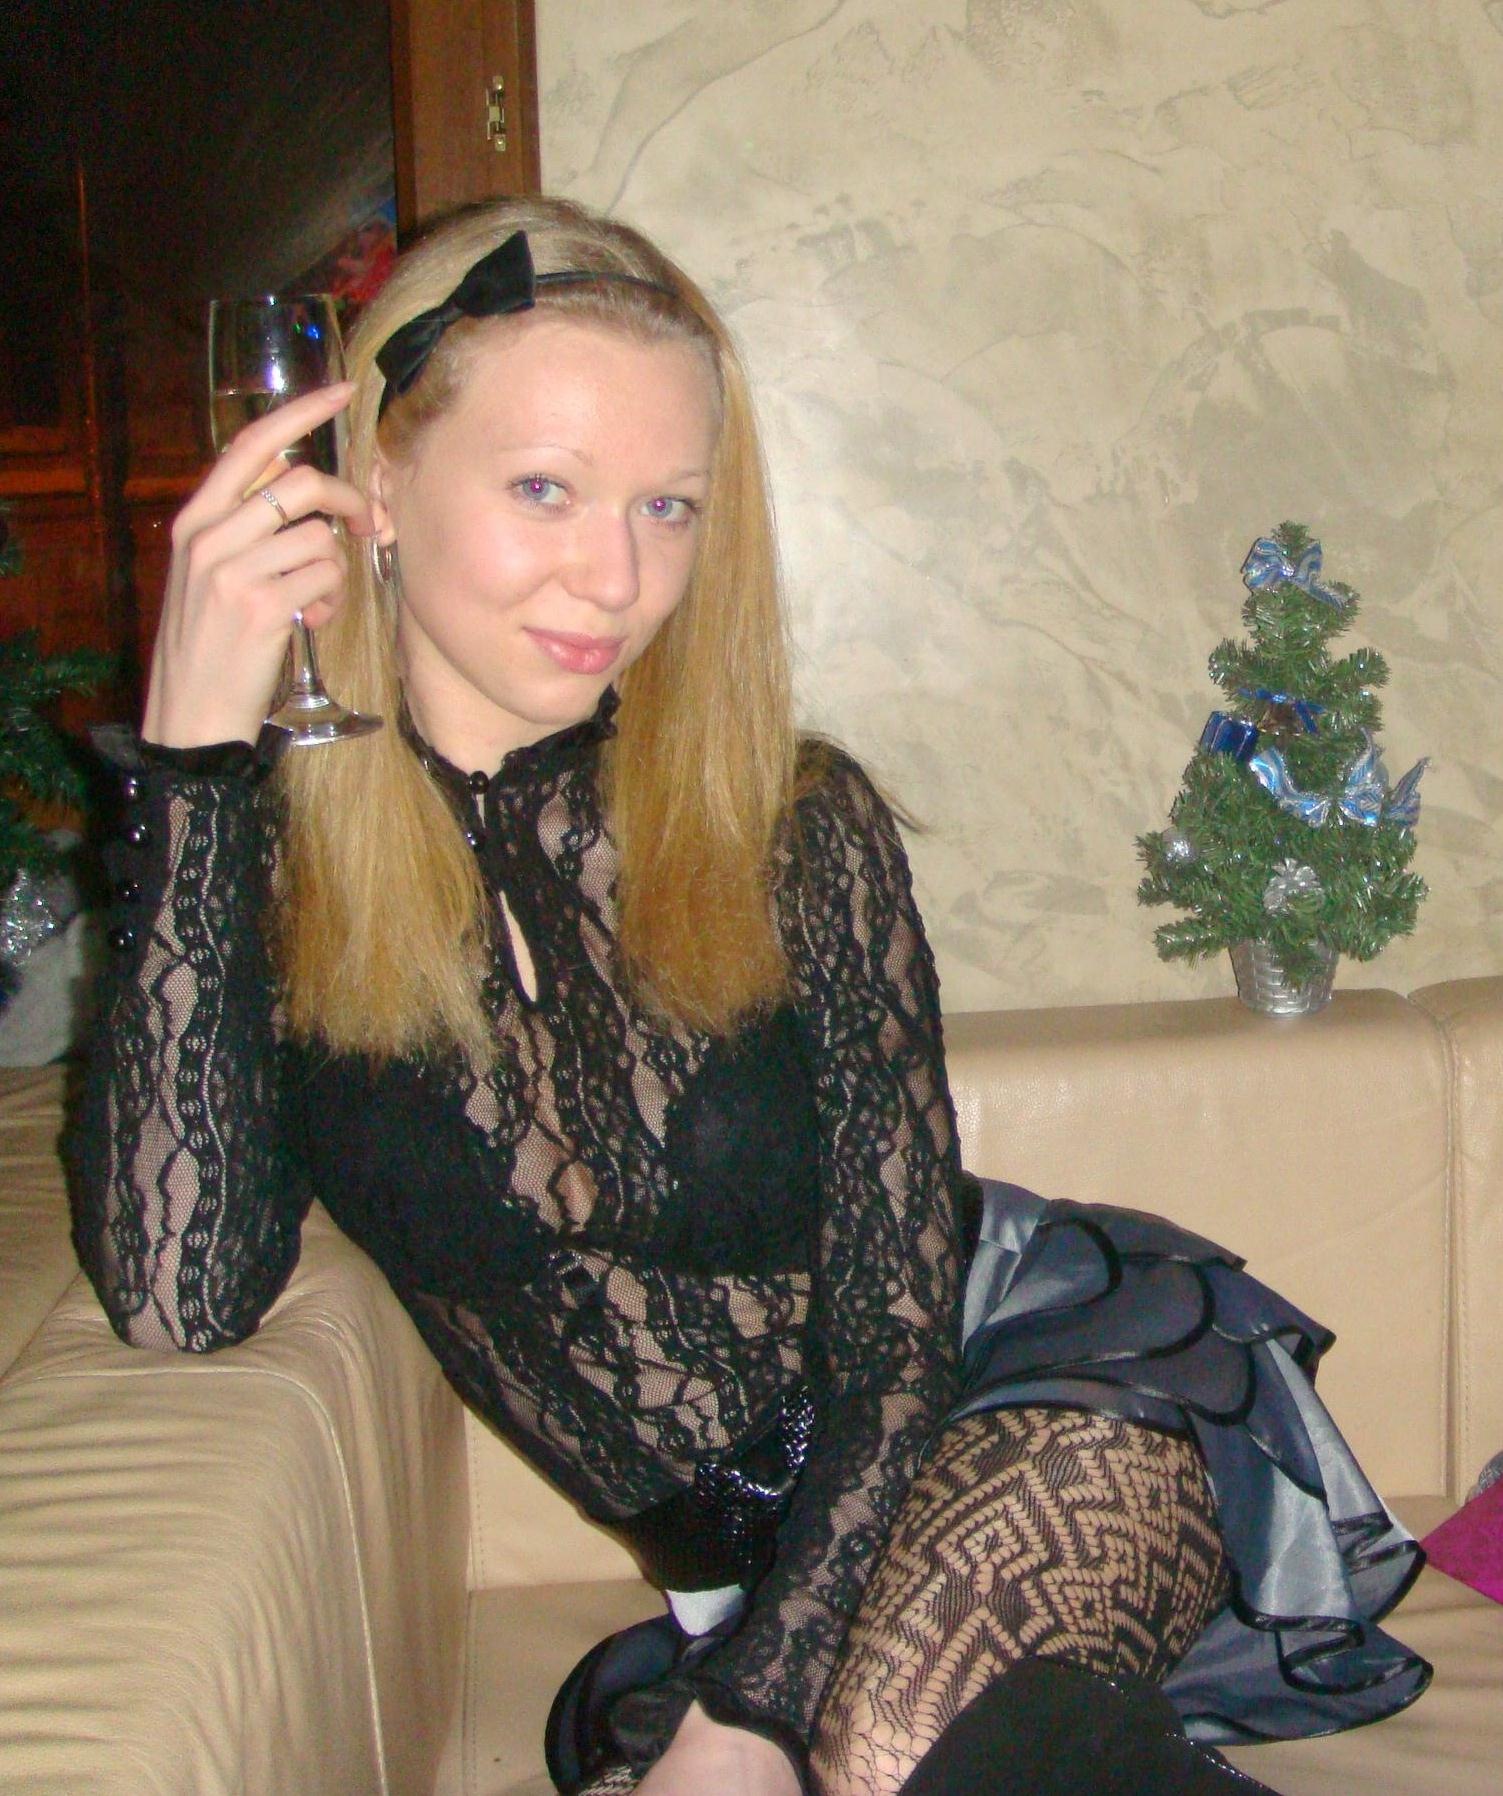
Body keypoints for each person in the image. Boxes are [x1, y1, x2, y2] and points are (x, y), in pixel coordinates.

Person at [67, 196, 1427, 1796]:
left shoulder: (790, 822)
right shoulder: (269, 870)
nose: (617, 576)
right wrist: (191, 759)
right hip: (748, 1585)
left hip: (1018, 1397)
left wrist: (752, 1714)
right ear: (371, 481)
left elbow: (898, 1335)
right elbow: (181, 1294)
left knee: (881, 1739)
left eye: (670, 507)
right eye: (544, 488)